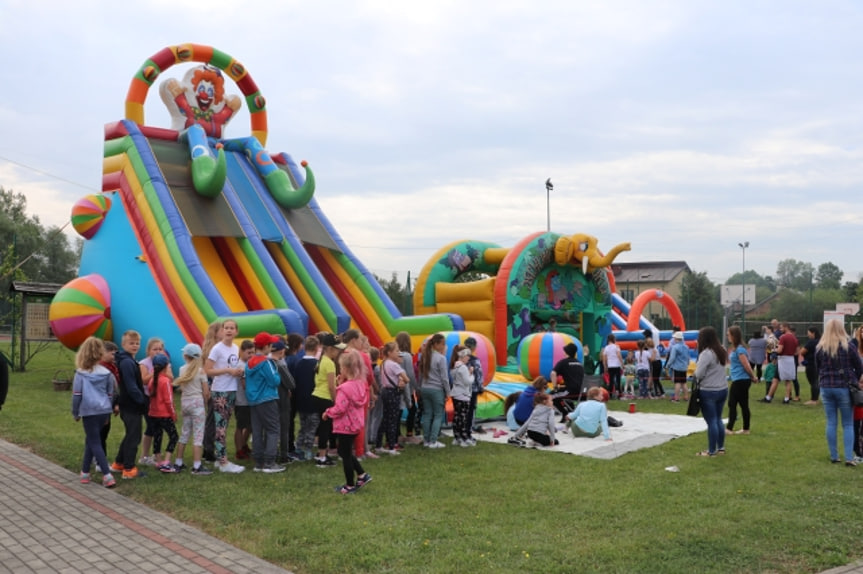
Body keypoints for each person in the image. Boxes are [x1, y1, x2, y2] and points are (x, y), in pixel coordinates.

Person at [815, 319, 863, 466]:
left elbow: (818, 368)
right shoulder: (849, 346)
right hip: (844, 387)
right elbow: (859, 366)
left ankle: (834, 456)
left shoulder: (820, 348)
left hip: (826, 386)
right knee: (848, 423)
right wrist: (854, 378)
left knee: (831, 422)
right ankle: (849, 457)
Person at [323, 351, 372, 494]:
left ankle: (350, 485)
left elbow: (340, 408)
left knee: (345, 455)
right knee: (344, 451)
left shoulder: (344, 389)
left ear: (344, 368)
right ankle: (362, 475)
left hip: (345, 425)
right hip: (355, 424)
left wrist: (327, 413)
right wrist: (341, 384)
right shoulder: (360, 384)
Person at [72, 337, 117, 488]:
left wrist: (75, 412)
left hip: (89, 411)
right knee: (91, 440)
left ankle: (107, 475)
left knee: (95, 441)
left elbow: (77, 395)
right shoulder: (107, 373)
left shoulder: (80, 373)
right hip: (104, 410)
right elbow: (110, 394)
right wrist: (108, 412)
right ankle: (85, 472)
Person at [204, 319, 245, 473]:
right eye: (226, 328)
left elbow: (234, 366)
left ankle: (220, 458)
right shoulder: (217, 348)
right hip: (220, 391)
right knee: (220, 427)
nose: (228, 330)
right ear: (222, 330)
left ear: (236, 331)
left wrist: (238, 371)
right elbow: (207, 370)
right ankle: (223, 462)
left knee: (224, 425)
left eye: (231, 328)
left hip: (232, 390)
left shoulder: (235, 348)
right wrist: (227, 371)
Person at [245, 332, 285, 473]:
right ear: (266, 346)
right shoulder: (266, 362)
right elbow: (274, 381)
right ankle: (270, 463)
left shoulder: (249, 362)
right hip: (267, 399)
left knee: (257, 431)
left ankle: (259, 463)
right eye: (271, 344)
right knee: (273, 430)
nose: (272, 347)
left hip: (254, 401)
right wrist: (277, 373)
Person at [111, 330, 148, 480]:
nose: (135, 346)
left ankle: (119, 463)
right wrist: (142, 400)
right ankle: (129, 468)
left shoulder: (129, 360)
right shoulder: (126, 362)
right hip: (130, 404)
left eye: (137, 343)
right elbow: (131, 385)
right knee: (134, 436)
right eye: (131, 343)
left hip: (129, 404)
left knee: (130, 434)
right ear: (123, 344)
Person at [172, 343, 212, 475]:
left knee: (185, 433)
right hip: (197, 403)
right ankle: (196, 466)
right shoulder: (201, 371)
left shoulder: (182, 369)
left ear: (185, 356)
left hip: (185, 403)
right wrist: (205, 402)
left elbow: (183, 388)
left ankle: (178, 462)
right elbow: (206, 392)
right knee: (198, 435)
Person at [694, 326, 729, 457]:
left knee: (712, 421)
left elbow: (698, 374)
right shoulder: (722, 350)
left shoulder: (706, 353)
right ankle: (721, 448)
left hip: (709, 390)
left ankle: (711, 451)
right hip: (722, 388)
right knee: (718, 419)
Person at [138, 336, 170, 467]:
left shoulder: (166, 362)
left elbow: (171, 378)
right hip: (148, 398)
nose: (157, 351)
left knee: (159, 428)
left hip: (161, 399)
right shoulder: (144, 363)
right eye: (154, 349)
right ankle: (144, 455)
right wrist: (156, 371)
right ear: (148, 351)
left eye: (160, 349)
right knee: (151, 427)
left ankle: (156, 454)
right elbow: (144, 380)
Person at [312, 333, 343, 467]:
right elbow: (331, 386)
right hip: (326, 397)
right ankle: (322, 457)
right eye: (337, 349)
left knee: (322, 426)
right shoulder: (330, 363)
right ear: (330, 349)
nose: (338, 352)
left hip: (317, 395)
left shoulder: (321, 360)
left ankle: (320, 453)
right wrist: (336, 401)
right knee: (326, 428)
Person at [147, 353, 179, 473]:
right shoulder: (165, 381)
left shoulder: (151, 381)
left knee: (157, 436)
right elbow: (168, 400)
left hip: (153, 414)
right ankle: (166, 461)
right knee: (174, 436)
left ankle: (159, 461)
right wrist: (173, 414)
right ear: (166, 366)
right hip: (164, 414)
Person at [291, 335, 321, 460]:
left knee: (303, 426)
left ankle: (298, 447)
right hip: (313, 400)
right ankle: (308, 450)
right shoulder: (317, 365)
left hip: (300, 400)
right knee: (312, 427)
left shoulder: (299, 363)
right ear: (316, 348)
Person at [418, 333, 450, 448]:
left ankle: (426, 440)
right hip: (436, 389)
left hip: (425, 388)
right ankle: (433, 441)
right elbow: (444, 378)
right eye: (443, 344)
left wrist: (419, 388)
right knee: (437, 415)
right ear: (436, 344)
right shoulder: (441, 358)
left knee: (427, 414)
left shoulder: (424, 356)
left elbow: (421, 375)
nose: (444, 346)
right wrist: (448, 392)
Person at [377, 342, 409, 453]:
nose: (398, 353)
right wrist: (401, 380)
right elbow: (406, 379)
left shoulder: (384, 363)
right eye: (396, 351)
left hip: (385, 391)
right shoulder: (394, 365)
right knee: (393, 420)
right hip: (393, 393)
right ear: (389, 353)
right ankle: (391, 446)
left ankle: (379, 444)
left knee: (385, 418)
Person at [725, 326, 757, 435]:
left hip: (740, 380)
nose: (727, 337)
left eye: (728, 335)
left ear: (734, 336)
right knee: (743, 404)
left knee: (732, 403)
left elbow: (746, 365)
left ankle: (729, 428)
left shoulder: (740, 349)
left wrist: (753, 376)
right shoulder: (736, 349)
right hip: (739, 379)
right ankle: (746, 429)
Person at [200, 320, 223, 462]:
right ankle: (208, 449)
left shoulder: (212, 348)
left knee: (212, 419)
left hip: (212, 386)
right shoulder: (213, 349)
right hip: (214, 387)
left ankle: (208, 448)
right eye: (222, 329)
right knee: (212, 420)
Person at [763, 322, 797, 404]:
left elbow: (780, 350)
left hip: (783, 360)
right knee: (788, 380)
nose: (780, 329)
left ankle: (768, 397)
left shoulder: (783, 337)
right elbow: (796, 352)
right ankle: (786, 398)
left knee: (775, 379)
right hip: (791, 359)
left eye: (782, 328)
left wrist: (774, 350)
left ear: (786, 327)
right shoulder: (794, 338)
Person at [550, 342, 585, 422]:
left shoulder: (563, 362)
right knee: (563, 392)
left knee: (551, 395)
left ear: (566, 352)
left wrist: (555, 387)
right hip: (583, 393)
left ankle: (565, 413)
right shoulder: (579, 363)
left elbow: (553, 373)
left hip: (571, 392)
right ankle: (572, 412)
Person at [233, 340, 254, 461]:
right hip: (242, 401)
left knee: (250, 425)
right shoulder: (241, 366)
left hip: (249, 401)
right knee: (240, 426)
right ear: (241, 352)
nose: (251, 355)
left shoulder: (249, 364)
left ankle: (244, 445)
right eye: (248, 352)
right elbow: (245, 384)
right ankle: (239, 450)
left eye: (253, 352)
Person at [450, 347, 475, 447]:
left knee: (457, 416)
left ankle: (457, 437)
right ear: (463, 356)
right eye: (467, 355)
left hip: (455, 393)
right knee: (463, 417)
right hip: (463, 395)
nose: (468, 358)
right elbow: (468, 381)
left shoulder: (454, 366)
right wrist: (472, 374)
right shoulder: (463, 367)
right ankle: (464, 438)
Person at [463, 336, 485, 438]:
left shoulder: (459, 359)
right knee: (471, 410)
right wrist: (480, 387)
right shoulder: (475, 360)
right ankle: (468, 431)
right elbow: (478, 375)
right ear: (474, 347)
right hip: (472, 389)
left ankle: (461, 430)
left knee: (462, 410)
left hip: (461, 388)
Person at [666, 331, 690, 403]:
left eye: (674, 338)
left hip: (677, 367)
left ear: (676, 339)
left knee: (677, 383)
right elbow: (688, 357)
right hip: (684, 367)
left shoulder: (675, 347)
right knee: (684, 383)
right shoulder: (686, 347)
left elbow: (672, 358)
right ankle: (686, 397)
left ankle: (676, 398)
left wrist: (668, 365)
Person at [799, 326, 821, 405]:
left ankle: (813, 400)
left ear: (813, 333)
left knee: (813, 381)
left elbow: (802, 352)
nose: (808, 335)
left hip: (811, 363)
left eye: (809, 333)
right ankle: (816, 398)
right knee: (816, 381)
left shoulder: (811, 342)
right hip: (818, 363)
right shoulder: (821, 341)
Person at [601, 334, 623, 399]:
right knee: (618, 380)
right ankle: (619, 394)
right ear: (613, 339)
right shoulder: (616, 347)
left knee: (611, 380)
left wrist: (605, 366)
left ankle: (610, 394)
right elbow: (619, 355)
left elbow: (604, 358)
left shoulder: (606, 348)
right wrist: (622, 363)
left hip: (610, 365)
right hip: (617, 365)